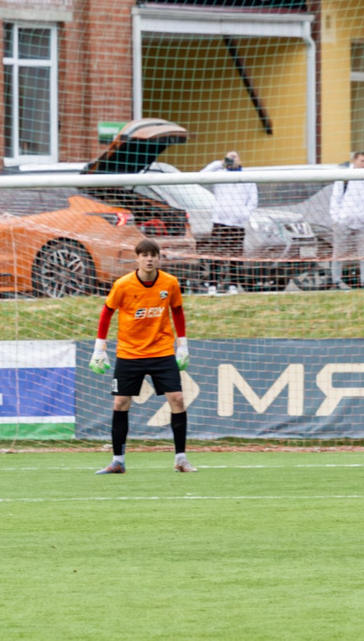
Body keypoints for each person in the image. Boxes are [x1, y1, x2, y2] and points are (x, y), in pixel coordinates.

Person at [89, 237, 193, 474]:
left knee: (177, 399)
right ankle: (118, 461)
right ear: (137, 259)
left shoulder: (170, 283)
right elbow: (107, 313)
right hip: (129, 353)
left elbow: (177, 311)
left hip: (162, 351)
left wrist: (183, 345)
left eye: (153, 255)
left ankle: (181, 459)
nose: (149, 259)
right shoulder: (123, 285)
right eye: (144, 255)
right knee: (120, 403)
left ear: (158, 258)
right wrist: (99, 348)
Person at [205, 151, 256, 289]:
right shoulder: (219, 174)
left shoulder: (247, 177)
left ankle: (233, 284)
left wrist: (242, 214)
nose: (232, 159)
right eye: (230, 157)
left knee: (236, 256)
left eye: (235, 157)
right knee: (216, 255)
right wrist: (220, 163)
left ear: (240, 159)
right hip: (219, 222)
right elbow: (202, 174)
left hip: (237, 224)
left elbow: (253, 200)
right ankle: (213, 284)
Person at [328, 152, 364, 288]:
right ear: (354, 161)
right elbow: (335, 199)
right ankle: (336, 282)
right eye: (362, 161)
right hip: (343, 223)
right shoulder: (344, 177)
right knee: (338, 254)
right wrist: (337, 219)